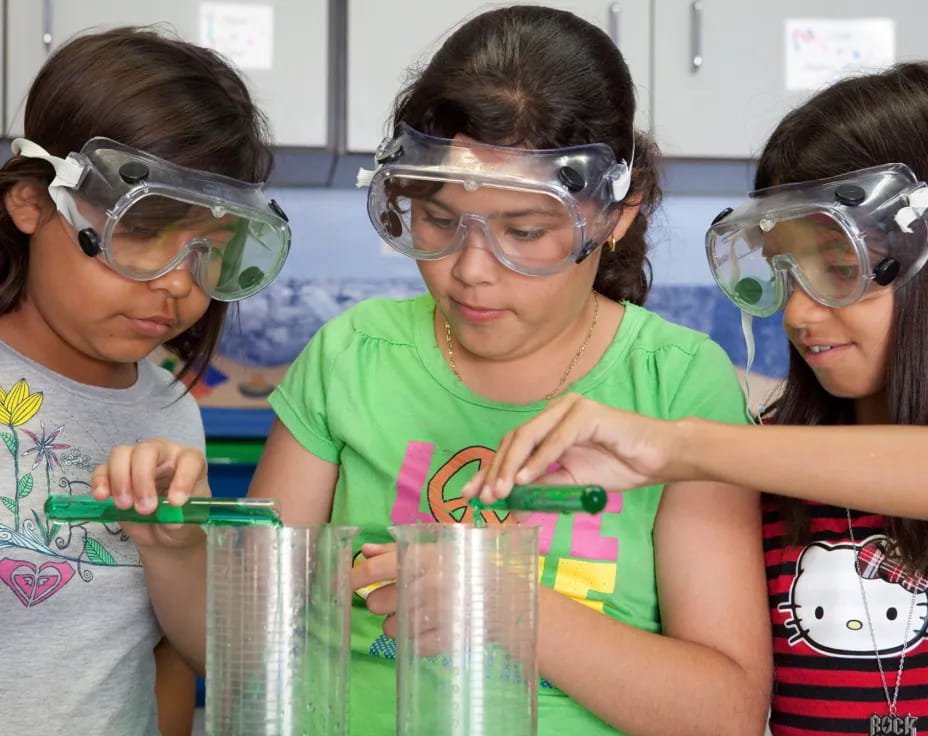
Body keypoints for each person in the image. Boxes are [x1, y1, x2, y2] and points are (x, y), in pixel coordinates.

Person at [92, 6, 771, 735]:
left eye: (525, 231)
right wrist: (172, 553)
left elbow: (725, 714)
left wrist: (504, 604)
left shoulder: (677, 384)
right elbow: (248, 656)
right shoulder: (353, 356)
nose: (470, 272)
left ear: (615, 214)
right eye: (439, 221)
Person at [467, 62, 928, 736]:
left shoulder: (733, 453)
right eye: (785, 269)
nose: (798, 312)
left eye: (841, 266)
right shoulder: (762, 464)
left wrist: (679, 447)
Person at [0, 27, 289, 734]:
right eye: (140, 232)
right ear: (33, 203)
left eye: (208, 252)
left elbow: (177, 656)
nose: (175, 287)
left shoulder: (168, 411)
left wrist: (175, 547)